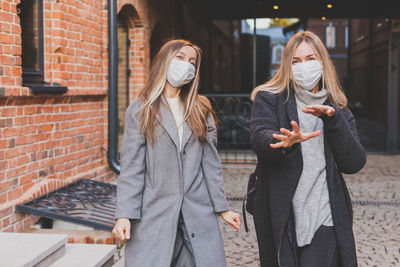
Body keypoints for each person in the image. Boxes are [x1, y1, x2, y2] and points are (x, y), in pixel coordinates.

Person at [112, 39, 240, 267]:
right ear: (164, 61)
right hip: (155, 212)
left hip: (196, 212)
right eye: (180, 58)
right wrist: (124, 214)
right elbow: (132, 168)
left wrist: (222, 208)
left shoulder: (201, 109)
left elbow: (210, 164)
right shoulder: (141, 109)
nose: (187, 65)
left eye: (192, 62)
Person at [249, 31, 366, 267]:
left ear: (322, 62)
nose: (304, 66)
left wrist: (334, 122)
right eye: (296, 61)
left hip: (325, 214)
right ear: (287, 66)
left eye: (310, 59)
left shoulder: (339, 110)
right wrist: (283, 142)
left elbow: (353, 163)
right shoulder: (269, 99)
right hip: (282, 214)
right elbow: (259, 137)